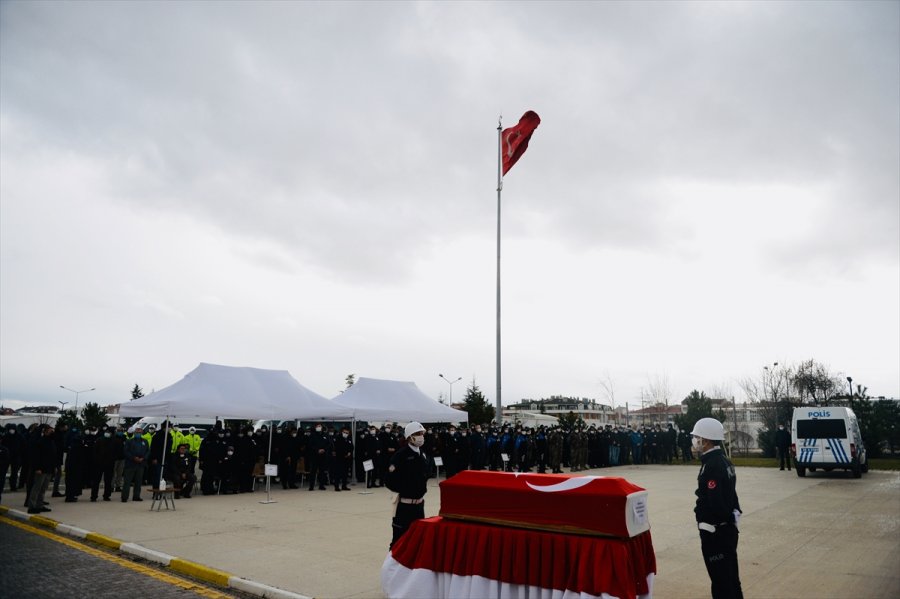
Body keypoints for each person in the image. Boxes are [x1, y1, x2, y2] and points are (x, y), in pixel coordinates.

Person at [691, 417, 743, 599]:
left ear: (705, 440)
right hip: (727, 530)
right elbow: (731, 495)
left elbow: (716, 502)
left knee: (721, 582)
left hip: (716, 533)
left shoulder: (712, 465)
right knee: (731, 579)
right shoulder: (723, 460)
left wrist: (708, 525)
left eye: (697, 437)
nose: (694, 440)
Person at [384, 421, 432, 549]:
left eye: (422, 433)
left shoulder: (423, 453)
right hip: (405, 505)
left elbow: (427, 473)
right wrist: (406, 488)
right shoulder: (400, 456)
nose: (421, 436)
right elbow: (389, 480)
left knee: (418, 540)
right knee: (398, 540)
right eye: (417, 434)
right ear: (409, 437)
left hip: (419, 504)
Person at [27, 424, 57, 514]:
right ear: (45, 432)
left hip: (49, 468)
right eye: (50, 431)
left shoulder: (51, 442)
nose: (51, 433)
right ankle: (32, 506)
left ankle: (39, 505)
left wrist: (54, 467)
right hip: (41, 468)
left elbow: (53, 455)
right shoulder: (40, 442)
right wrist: (38, 468)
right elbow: (36, 456)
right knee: (37, 488)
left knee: (43, 488)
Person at [122, 425, 150, 502]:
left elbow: (148, 451)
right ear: (134, 433)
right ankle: (124, 497)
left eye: (140, 432)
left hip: (141, 464)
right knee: (127, 481)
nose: (138, 433)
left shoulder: (145, 441)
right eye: (137, 432)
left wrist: (143, 458)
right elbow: (126, 451)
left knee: (138, 481)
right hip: (130, 464)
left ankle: (136, 496)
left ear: (142, 433)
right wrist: (133, 458)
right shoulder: (129, 441)